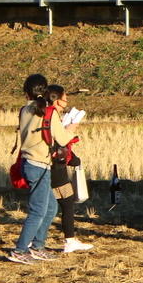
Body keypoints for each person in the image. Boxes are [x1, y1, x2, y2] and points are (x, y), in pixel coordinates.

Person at [8, 75, 80, 264]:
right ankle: (20, 250)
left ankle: (38, 246)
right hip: (39, 165)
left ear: (26, 93)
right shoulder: (48, 112)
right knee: (38, 210)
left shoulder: (25, 110)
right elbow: (62, 139)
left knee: (51, 207)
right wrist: (71, 129)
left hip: (29, 164)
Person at [45, 85, 93, 254]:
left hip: (44, 166)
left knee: (44, 206)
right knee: (65, 203)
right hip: (56, 169)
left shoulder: (41, 114)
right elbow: (60, 143)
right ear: (58, 100)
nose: (66, 102)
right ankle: (69, 241)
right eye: (65, 99)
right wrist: (69, 131)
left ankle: (32, 241)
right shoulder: (52, 116)